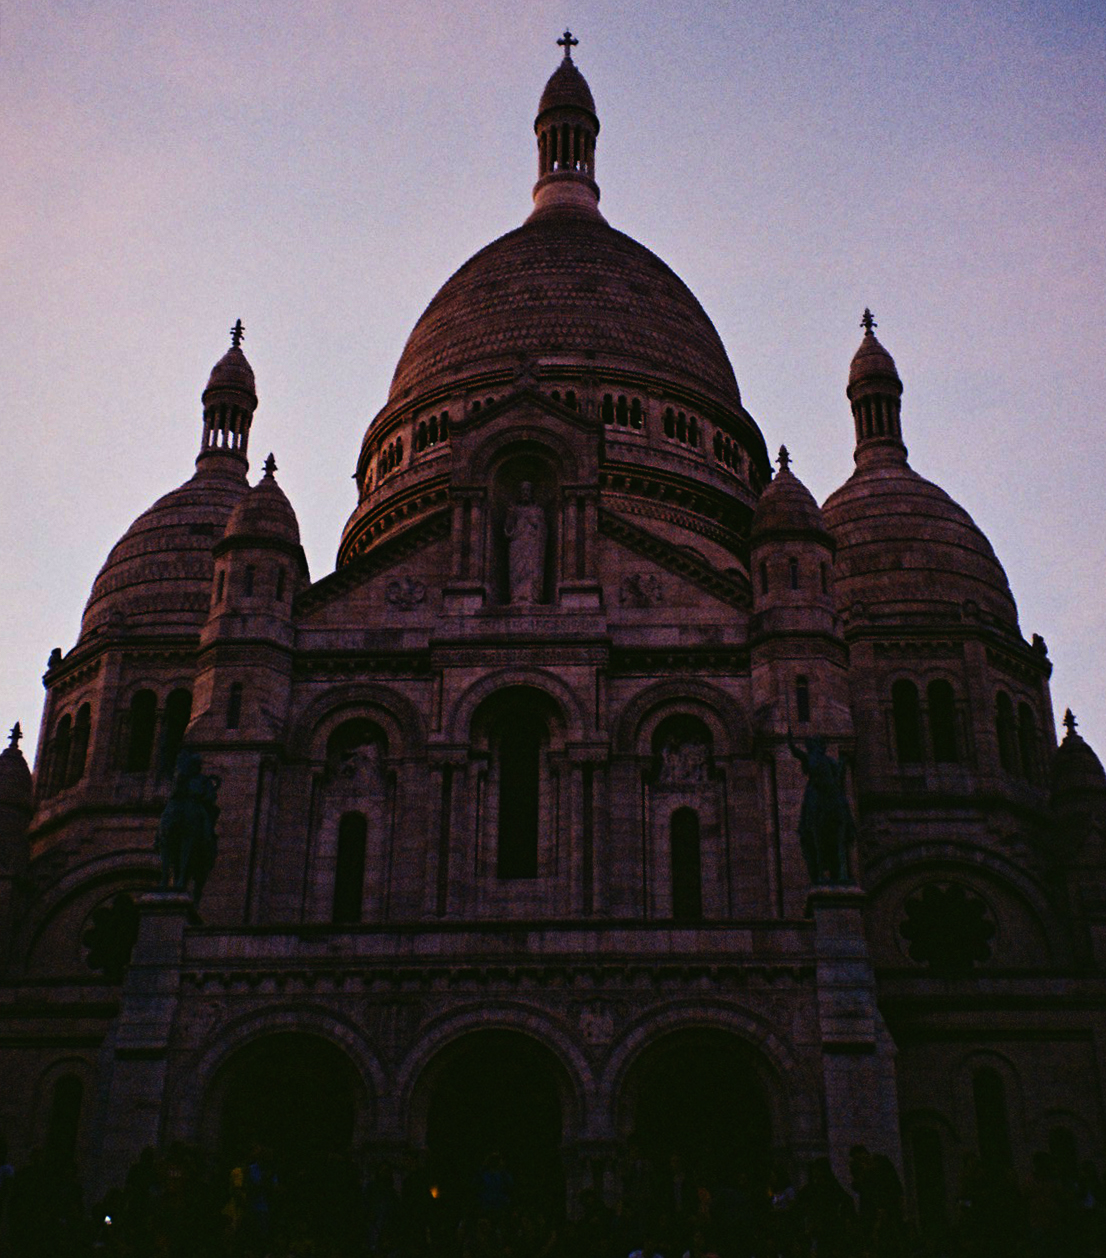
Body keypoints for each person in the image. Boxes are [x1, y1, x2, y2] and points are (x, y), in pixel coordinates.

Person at [504, 482, 546, 604]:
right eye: (523, 491)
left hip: (533, 546)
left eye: (527, 491)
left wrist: (535, 523)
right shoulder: (514, 510)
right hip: (517, 544)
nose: (525, 493)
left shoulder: (538, 510)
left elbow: (543, 531)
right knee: (517, 571)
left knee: (532, 570)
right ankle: (516, 596)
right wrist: (510, 516)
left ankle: (532, 596)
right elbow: (508, 530)